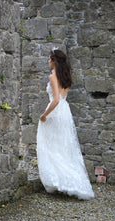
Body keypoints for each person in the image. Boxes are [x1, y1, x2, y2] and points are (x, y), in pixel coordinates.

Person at [37, 49, 95, 200]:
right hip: (65, 111)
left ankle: (60, 181)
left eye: (49, 58)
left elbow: (55, 100)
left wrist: (44, 115)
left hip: (55, 113)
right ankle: (67, 182)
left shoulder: (53, 76)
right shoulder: (65, 76)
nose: (48, 61)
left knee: (52, 146)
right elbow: (61, 99)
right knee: (63, 146)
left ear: (54, 60)